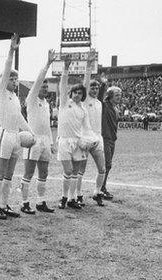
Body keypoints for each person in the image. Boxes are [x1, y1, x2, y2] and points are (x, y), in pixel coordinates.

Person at [0, 33, 33, 220]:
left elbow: (20, 118)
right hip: (4, 135)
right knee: (0, 173)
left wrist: (31, 132)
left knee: (9, 174)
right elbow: (7, 68)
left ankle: (4, 205)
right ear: (5, 80)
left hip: (16, 136)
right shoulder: (1, 92)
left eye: (16, 80)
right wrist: (11, 50)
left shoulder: (16, 97)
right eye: (11, 79)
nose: (14, 82)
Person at [19, 50, 57, 214]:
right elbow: (37, 83)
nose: (45, 88)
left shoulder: (47, 103)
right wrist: (47, 64)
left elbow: (47, 126)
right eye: (42, 86)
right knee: (28, 172)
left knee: (44, 172)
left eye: (47, 87)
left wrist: (51, 142)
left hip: (44, 141)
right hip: (32, 140)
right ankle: (24, 202)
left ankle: (41, 202)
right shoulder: (32, 99)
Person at [56, 57, 92, 209]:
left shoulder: (83, 109)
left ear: (82, 95)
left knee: (75, 172)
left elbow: (87, 128)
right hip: (64, 141)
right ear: (71, 94)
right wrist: (65, 68)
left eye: (79, 93)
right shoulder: (65, 103)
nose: (77, 94)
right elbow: (63, 86)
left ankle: (72, 199)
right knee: (68, 170)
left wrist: (90, 139)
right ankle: (63, 198)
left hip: (78, 142)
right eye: (75, 92)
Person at [76, 51, 107, 206]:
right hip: (85, 138)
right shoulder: (85, 99)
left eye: (96, 88)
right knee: (81, 170)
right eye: (92, 88)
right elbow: (86, 81)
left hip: (98, 138)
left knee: (102, 168)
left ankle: (97, 192)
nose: (94, 90)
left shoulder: (99, 103)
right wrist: (89, 64)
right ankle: (78, 194)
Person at [100, 78, 122, 200]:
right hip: (105, 139)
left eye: (120, 95)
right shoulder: (105, 106)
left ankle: (102, 187)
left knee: (108, 165)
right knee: (106, 164)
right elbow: (99, 97)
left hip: (112, 140)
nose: (119, 97)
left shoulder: (116, 109)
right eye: (117, 95)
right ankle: (101, 188)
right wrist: (103, 84)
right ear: (110, 95)